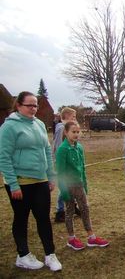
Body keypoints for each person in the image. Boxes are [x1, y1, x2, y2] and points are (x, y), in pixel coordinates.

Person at [0, 91, 62, 271]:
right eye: (29, 105)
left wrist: (50, 176)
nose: (33, 109)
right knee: (21, 218)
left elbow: (46, 151)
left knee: (43, 218)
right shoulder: (9, 127)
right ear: (18, 106)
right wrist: (13, 183)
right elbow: (3, 157)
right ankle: (23, 255)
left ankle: (50, 255)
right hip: (20, 182)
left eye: (35, 105)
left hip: (40, 180)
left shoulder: (40, 125)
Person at [56, 121, 109, 250]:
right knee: (70, 211)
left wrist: (84, 183)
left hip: (79, 185)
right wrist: (64, 191)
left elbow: (83, 168)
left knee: (85, 209)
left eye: (77, 132)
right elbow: (60, 173)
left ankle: (91, 237)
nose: (76, 134)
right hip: (68, 186)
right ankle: (71, 238)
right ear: (66, 132)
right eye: (73, 132)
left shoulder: (79, 147)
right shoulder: (62, 149)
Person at [53, 107, 79, 223]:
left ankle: (72, 207)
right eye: (73, 117)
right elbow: (60, 146)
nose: (75, 119)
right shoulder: (61, 128)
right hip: (62, 162)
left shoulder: (67, 128)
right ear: (67, 116)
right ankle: (60, 211)